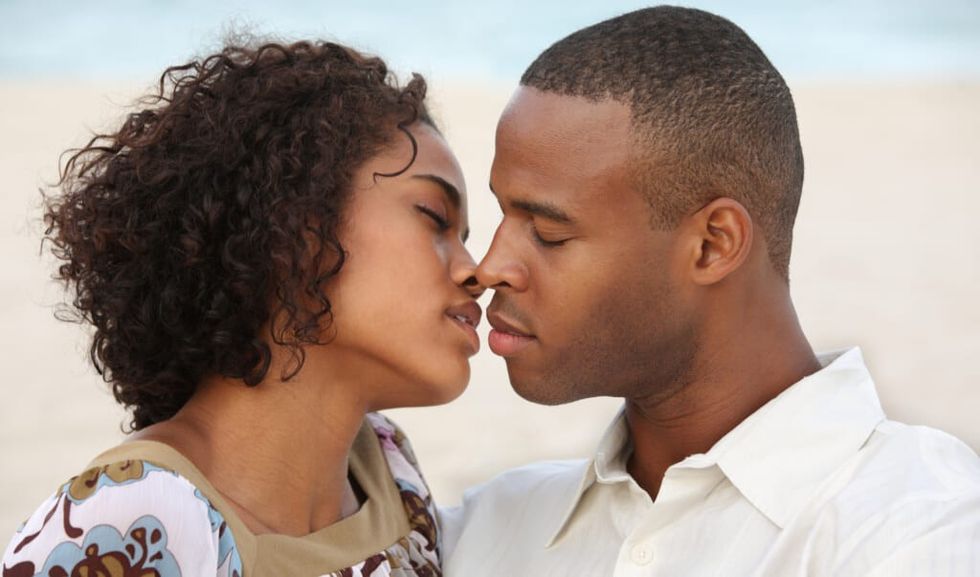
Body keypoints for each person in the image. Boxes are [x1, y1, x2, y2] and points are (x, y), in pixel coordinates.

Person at [442, 6, 980, 576]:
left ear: (712, 245)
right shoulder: (484, 528)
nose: (491, 266)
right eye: (500, 215)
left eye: (548, 233)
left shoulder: (912, 525)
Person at [2, 39, 482, 576]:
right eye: (434, 216)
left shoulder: (389, 470)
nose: (476, 270)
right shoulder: (129, 520)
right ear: (293, 227)